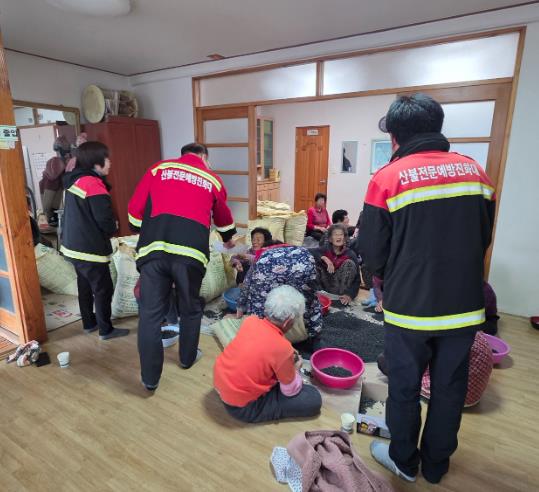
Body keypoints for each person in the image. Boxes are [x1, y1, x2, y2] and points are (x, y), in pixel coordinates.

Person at [360, 93, 496, 484]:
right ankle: (436, 465)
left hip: (409, 310)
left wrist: (386, 281)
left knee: (404, 388)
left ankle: (404, 461)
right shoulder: (476, 172)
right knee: (449, 388)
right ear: (437, 127)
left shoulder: (386, 178)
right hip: (464, 308)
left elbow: (372, 252)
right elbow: (483, 236)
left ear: (395, 137)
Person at [128, 142, 236, 391]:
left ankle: (150, 379)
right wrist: (228, 239)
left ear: (183, 155)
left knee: (150, 315)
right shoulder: (212, 179)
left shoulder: (158, 169)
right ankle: (187, 358)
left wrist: (146, 228)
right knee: (190, 308)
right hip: (190, 255)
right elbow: (224, 220)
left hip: (154, 252)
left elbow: (134, 213)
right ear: (204, 157)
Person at [214, 285, 322, 423]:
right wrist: (295, 369)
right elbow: (290, 391)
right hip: (243, 407)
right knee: (313, 399)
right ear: (288, 322)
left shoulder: (250, 321)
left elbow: (262, 349)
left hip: (222, 385)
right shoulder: (282, 348)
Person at [61, 142, 129, 340]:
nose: (110, 163)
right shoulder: (93, 184)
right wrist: (113, 227)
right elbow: (104, 219)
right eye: (107, 159)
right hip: (89, 247)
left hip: (73, 245)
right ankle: (106, 330)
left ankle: (89, 323)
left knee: (84, 285)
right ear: (96, 162)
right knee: (103, 288)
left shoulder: (75, 180)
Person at [236, 241, 322, 341]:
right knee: (308, 300)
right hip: (302, 264)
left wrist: (240, 306)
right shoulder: (301, 250)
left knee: (260, 300)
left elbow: (246, 284)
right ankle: (313, 332)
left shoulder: (262, 255)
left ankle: (262, 335)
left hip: (268, 267)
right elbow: (313, 286)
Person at [311, 224, 360, 306]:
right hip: (324, 286)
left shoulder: (350, 254)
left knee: (349, 263)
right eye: (335, 235)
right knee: (313, 260)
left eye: (341, 235)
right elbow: (308, 252)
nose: (339, 237)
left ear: (344, 238)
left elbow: (357, 279)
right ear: (330, 239)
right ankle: (318, 292)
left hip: (339, 289)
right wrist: (324, 258)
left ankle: (341, 297)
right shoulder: (325, 249)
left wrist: (350, 294)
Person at [40, 136, 71, 226]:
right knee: (49, 210)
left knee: (51, 210)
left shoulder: (59, 162)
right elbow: (53, 176)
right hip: (51, 188)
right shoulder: (56, 162)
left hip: (55, 189)